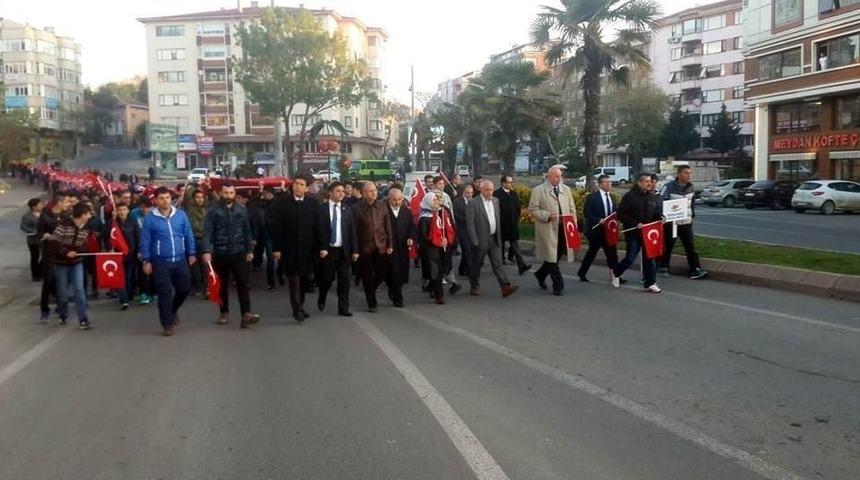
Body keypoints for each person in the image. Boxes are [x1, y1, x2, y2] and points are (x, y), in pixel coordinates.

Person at [201, 184, 260, 329]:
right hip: (220, 252)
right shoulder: (213, 210)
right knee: (221, 285)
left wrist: (250, 250)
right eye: (226, 192)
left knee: (243, 283)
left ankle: (246, 314)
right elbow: (207, 231)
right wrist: (207, 250)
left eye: (231, 193)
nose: (228, 195)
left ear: (235, 193)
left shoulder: (241, 209)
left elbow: (247, 230)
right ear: (221, 193)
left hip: (239, 251)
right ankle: (224, 312)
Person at [140, 187, 198, 336]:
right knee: (164, 293)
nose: (165, 201)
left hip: (180, 259)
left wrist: (191, 252)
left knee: (184, 289)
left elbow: (188, 234)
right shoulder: (150, 218)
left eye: (167, 197)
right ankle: (167, 324)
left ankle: (172, 310)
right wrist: (146, 260)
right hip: (160, 261)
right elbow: (145, 240)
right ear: (156, 200)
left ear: (171, 198)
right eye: (161, 198)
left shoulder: (180, 215)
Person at [272, 176, 319, 322]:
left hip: (307, 248)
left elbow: (317, 228)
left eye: (301, 184)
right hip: (289, 248)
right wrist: (277, 248)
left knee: (304, 278)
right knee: (294, 279)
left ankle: (301, 305)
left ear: (307, 188)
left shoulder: (313, 204)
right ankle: (296, 309)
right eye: (296, 184)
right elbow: (277, 227)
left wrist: (319, 247)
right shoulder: (283, 203)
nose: (298, 187)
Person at [466, 180, 519, 298]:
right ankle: (474, 285)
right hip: (480, 239)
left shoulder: (496, 201)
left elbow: (497, 219)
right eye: (486, 190)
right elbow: (470, 223)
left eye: (491, 190)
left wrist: (500, 236)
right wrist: (474, 240)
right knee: (476, 264)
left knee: (498, 264)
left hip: (494, 238)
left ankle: (505, 286)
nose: (489, 192)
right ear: (481, 189)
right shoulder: (473, 203)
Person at [612, 174, 663, 293]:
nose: (649, 183)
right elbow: (621, 214)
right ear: (639, 183)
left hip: (648, 233)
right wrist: (635, 223)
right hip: (633, 232)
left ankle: (650, 283)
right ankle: (616, 273)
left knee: (649, 258)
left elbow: (655, 212)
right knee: (631, 257)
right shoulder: (630, 196)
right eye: (646, 181)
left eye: (650, 181)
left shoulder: (651, 196)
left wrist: (660, 218)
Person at [528, 166, 576, 296]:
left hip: (563, 229)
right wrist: (547, 215)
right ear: (549, 176)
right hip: (548, 229)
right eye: (556, 176)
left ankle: (540, 274)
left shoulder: (566, 190)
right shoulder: (539, 190)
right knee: (551, 257)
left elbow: (572, 209)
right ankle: (558, 285)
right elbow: (533, 209)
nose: (559, 178)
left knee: (557, 255)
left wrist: (573, 224)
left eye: (560, 176)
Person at [45, 202, 93, 330]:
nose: (90, 216)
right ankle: (63, 314)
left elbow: (85, 243)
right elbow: (53, 241)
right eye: (88, 213)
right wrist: (66, 252)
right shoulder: (64, 224)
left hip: (77, 262)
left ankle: (83, 319)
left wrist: (80, 250)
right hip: (61, 264)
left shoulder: (87, 227)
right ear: (82, 214)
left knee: (79, 289)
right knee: (63, 292)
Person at [316, 182, 359, 317]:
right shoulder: (321, 209)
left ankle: (343, 308)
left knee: (344, 280)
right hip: (328, 250)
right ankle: (322, 296)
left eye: (343, 191)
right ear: (331, 192)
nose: (341, 193)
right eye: (338, 191)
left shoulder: (347, 209)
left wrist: (355, 250)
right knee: (327, 279)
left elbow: (352, 231)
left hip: (343, 250)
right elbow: (317, 231)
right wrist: (321, 247)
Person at [658, 165, 708, 280]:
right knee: (668, 245)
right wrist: (664, 217)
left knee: (690, 246)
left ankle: (695, 269)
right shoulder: (668, 187)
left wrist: (693, 215)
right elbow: (661, 202)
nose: (689, 175)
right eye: (686, 173)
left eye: (690, 173)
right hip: (672, 223)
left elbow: (692, 202)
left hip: (686, 222)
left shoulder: (691, 187)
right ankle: (663, 267)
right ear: (679, 174)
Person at [352, 182, 393, 312]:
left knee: (382, 273)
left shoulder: (382, 205)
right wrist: (355, 249)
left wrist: (390, 244)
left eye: (375, 190)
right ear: (363, 193)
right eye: (370, 191)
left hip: (380, 245)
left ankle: (371, 287)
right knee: (367, 275)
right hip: (364, 247)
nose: (373, 193)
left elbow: (388, 226)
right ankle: (372, 303)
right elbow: (353, 230)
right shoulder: (356, 208)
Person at [577, 175, 621, 282]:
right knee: (592, 253)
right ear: (600, 184)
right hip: (597, 231)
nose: (609, 184)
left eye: (610, 182)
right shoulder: (592, 197)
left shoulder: (612, 197)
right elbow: (587, 212)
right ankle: (582, 272)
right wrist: (598, 220)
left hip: (609, 231)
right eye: (606, 182)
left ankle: (615, 276)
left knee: (612, 253)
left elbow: (614, 212)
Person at [36, 192, 72, 323]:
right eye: (67, 202)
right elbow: (39, 233)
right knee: (48, 282)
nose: (69, 204)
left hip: (62, 253)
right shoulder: (44, 216)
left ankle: (61, 307)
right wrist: (45, 235)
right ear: (59, 203)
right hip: (49, 255)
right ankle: (44, 311)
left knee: (61, 283)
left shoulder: (66, 216)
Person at [495, 175, 531, 274]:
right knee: (500, 245)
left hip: (512, 224)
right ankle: (500, 262)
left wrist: (516, 218)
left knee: (516, 245)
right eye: (509, 182)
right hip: (501, 225)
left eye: (511, 182)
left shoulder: (514, 193)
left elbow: (517, 208)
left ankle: (522, 266)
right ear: (503, 183)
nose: (511, 184)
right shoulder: (497, 194)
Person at [386, 187, 416, 308]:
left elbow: (413, 227)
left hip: (403, 246)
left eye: (399, 200)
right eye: (394, 200)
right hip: (390, 247)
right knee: (392, 271)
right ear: (389, 199)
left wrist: (411, 237)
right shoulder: (384, 210)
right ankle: (394, 291)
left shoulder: (406, 211)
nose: (397, 202)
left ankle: (397, 293)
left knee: (401, 272)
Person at [114, 202, 141, 310]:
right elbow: (107, 236)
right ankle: (123, 299)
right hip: (118, 255)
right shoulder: (113, 223)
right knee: (121, 277)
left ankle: (129, 294)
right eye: (119, 210)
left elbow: (138, 237)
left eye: (124, 209)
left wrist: (139, 250)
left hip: (131, 254)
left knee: (129, 276)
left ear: (128, 211)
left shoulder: (133, 222)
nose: (121, 212)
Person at [251, 187, 278, 290]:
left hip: (273, 233)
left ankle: (275, 279)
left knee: (275, 257)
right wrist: (260, 191)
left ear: (269, 193)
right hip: (268, 233)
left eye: (265, 194)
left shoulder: (275, 203)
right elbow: (255, 202)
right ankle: (271, 283)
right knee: (271, 257)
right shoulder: (264, 203)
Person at [185, 188, 209, 296]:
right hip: (193, 239)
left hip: (205, 239)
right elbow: (186, 196)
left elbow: (217, 200)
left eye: (202, 197)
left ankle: (207, 288)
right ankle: (196, 287)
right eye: (197, 197)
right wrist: (196, 185)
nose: (200, 199)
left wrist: (207, 187)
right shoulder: (190, 209)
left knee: (206, 265)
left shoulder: (208, 209)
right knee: (194, 265)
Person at [452, 185, 474, 277]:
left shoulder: (474, 202)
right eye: (468, 193)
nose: (469, 195)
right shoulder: (457, 202)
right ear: (464, 192)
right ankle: (470, 270)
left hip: (472, 230)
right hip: (462, 230)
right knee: (466, 249)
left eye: (471, 193)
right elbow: (457, 216)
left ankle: (462, 268)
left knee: (468, 251)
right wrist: (469, 219)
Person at [21, 198, 44, 282]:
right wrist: (33, 231)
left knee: (45, 256)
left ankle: (40, 271)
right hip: (33, 240)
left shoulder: (43, 213)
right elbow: (23, 227)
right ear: (34, 207)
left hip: (42, 239)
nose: (42, 205)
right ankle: (35, 275)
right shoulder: (27, 216)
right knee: (35, 257)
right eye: (40, 204)